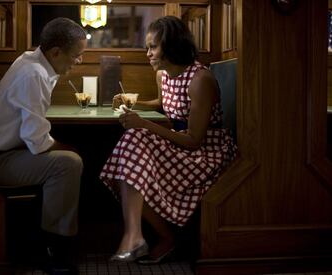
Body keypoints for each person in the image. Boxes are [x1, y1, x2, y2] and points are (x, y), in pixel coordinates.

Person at [100, 16, 238, 264]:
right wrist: (132, 102)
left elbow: (195, 140)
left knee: (132, 149)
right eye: (147, 47)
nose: (148, 53)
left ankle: (148, 237)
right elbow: (163, 106)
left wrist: (144, 124)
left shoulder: (200, 80)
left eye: (153, 46)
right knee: (130, 159)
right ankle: (141, 236)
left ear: (172, 45)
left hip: (207, 153)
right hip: (179, 145)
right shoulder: (163, 75)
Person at [0, 17, 86, 274]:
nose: (79, 61)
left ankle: (48, 241)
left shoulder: (32, 62)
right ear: (56, 52)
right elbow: (37, 141)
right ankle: (52, 250)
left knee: (66, 156)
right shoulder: (34, 74)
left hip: (2, 152)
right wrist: (67, 147)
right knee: (68, 163)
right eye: (77, 55)